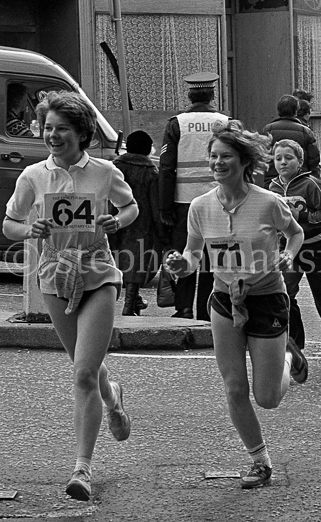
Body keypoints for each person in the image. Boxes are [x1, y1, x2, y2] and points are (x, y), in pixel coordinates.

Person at [3, 91, 136, 501]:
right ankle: (113, 399)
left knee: (81, 373)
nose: (53, 136)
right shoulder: (33, 176)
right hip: (53, 276)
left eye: (61, 129)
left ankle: (82, 469)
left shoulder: (104, 171)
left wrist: (116, 220)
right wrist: (30, 231)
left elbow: (130, 207)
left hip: (97, 271)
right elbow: (10, 223)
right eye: (47, 128)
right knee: (87, 366)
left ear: (80, 133)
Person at [165, 120, 306, 489]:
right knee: (233, 388)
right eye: (213, 156)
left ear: (244, 162)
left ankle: (289, 358)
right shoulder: (199, 207)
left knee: (268, 397)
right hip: (225, 299)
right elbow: (194, 253)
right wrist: (184, 265)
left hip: (266, 298)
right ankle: (260, 462)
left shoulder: (268, 203)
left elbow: (295, 233)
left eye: (225, 156)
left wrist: (289, 255)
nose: (217, 163)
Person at [268, 139, 321, 371]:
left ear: (300, 161)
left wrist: (299, 217)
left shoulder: (310, 184)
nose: (283, 162)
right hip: (289, 250)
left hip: (315, 247)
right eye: (278, 158)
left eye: (288, 158)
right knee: (287, 297)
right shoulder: (271, 188)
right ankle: (297, 348)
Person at [158, 72, 229, 320]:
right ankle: (206, 310)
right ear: (212, 95)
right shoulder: (225, 122)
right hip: (218, 201)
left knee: (188, 254)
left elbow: (166, 167)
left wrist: (164, 207)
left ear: (189, 95)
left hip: (183, 202)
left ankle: (184, 307)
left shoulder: (177, 123)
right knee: (211, 257)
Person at [110, 130, 162, 316]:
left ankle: (131, 301)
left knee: (114, 258)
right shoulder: (151, 172)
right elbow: (155, 204)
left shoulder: (114, 167)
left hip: (113, 219)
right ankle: (130, 302)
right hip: (142, 223)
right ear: (148, 150)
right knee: (136, 261)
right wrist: (161, 228)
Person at [262, 94, 321, 180]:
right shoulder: (305, 131)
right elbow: (314, 159)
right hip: (299, 180)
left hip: (272, 180)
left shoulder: (268, 129)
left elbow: (262, 156)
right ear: (296, 111)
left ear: (278, 110)